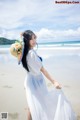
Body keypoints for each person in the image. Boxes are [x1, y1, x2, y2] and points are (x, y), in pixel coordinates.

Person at [10, 30, 76, 120]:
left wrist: (23, 35)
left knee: (32, 105)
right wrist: (54, 82)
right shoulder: (31, 54)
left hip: (29, 80)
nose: (34, 40)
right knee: (39, 104)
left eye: (34, 38)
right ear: (26, 41)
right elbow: (43, 70)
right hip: (36, 82)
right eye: (32, 39)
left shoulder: (23, 54)